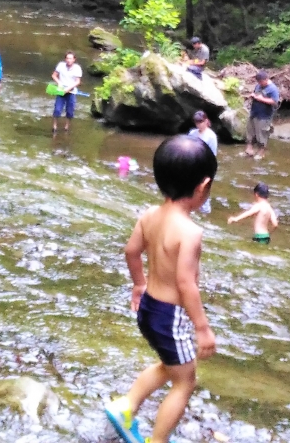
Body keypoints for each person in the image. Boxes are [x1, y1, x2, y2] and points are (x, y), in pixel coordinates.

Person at [104, 136, 217, 443]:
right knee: (186, 381)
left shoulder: (149, 216)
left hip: (149, 309)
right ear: (203, 186)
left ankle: (125, 407)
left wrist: (139, 284)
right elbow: (186, 283)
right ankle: (158, 440)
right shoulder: (190, 232)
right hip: (171, 317)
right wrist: (202, 328)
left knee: (171, 366)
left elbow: (131, 251)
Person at [244, 71, 279, 160]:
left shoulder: (273, 89)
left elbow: (274, 102)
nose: (259, 84)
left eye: (261, 82)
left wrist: (262, 99)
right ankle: (249, 149)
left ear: (266, 79)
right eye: (258, 82)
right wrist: (252, 95)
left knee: (262, 134)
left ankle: (261, 152)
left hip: (264, 115)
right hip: (254, 112)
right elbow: (256, 94)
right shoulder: (258, 85)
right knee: (250, 131)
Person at [187, 110, 217, 214]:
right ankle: (192, 208)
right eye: (197, 122)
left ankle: (205, 211)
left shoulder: (211, 137)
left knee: (203, 189)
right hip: (192, 164)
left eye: (201, 122)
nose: (199, 124)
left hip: (205, 166)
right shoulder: (192, 133)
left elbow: (213, 155)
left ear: (206, 121)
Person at [51, 51, 83, 133]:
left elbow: (77, 81)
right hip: (61, 90)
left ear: (74, 60)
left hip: (71, 92)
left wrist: (68, 88)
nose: (69, 60)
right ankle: (54, 126)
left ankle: (66, 127)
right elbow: (54, 75)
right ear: (65, 59)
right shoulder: (61, 65)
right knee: (57, 109)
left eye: (70, 58)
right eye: (67, 58)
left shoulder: (77, 68)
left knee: (70, 111)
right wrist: (59, 83)